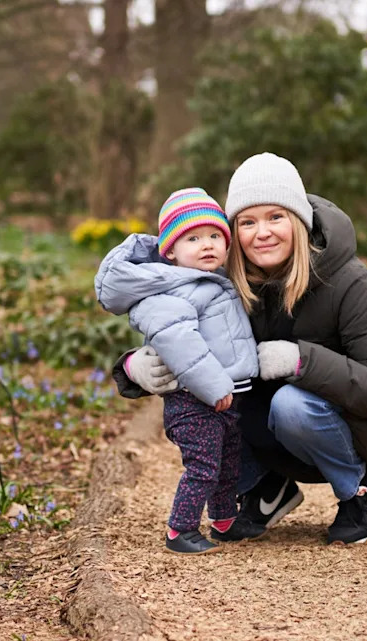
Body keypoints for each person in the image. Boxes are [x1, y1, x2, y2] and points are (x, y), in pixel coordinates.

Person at [114, 154, 367, 545]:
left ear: (298, 220)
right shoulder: (218, 280)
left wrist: (300, 360)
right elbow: (171, 330)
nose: (263, 233)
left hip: (361, 426)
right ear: (233, 231)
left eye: (276, 217)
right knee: (201, 394)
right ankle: (268, 485)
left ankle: (355, 490)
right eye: (247, 222)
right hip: (273, 424)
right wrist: (134, 368)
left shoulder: (348, 281)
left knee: (291, 404)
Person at [94, 187, 263, 555]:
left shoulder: (210, 281)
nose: (207, 245)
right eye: (193, 238)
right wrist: (214, 385)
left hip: (223, 396)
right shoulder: (168, 291)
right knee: (203, 466)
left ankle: (224, 520)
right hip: (194, 400)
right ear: (170, 251)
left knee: (227, 462)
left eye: (215, 236)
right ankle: (180, 529)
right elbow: (180, 343)